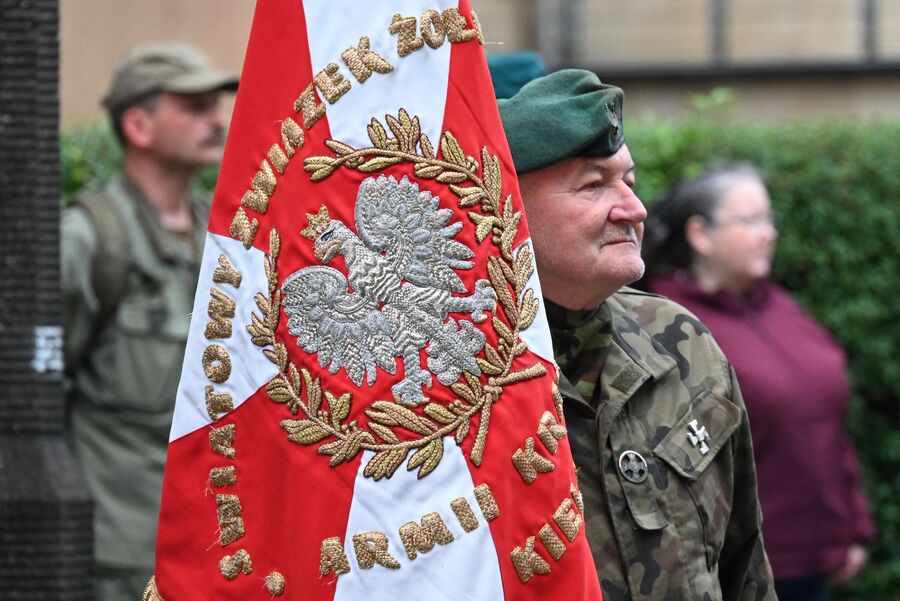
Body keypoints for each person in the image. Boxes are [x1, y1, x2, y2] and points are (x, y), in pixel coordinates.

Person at [497, 70, 776, 600]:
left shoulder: (679, 339)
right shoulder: (450, 386)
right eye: (594, 185)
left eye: (629, 180)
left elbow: (745, 563)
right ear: (509, 205)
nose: (634, 209)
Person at [641, 164, 875, 601]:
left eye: (768, 219)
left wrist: (853, 525)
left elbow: (830, 424)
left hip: (814, 564)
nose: (768, 233)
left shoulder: (783, 310)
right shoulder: (669, 327)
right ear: (700, 234)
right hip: (739, 573)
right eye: (750, 221)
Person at [62, 41, 237, 600]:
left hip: (216, 544)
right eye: (193, 106)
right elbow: (29, 394)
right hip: (121, 556)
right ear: (138, 124)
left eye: (216, 104)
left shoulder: (227, 235)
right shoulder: (89, 240)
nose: (216, 120)